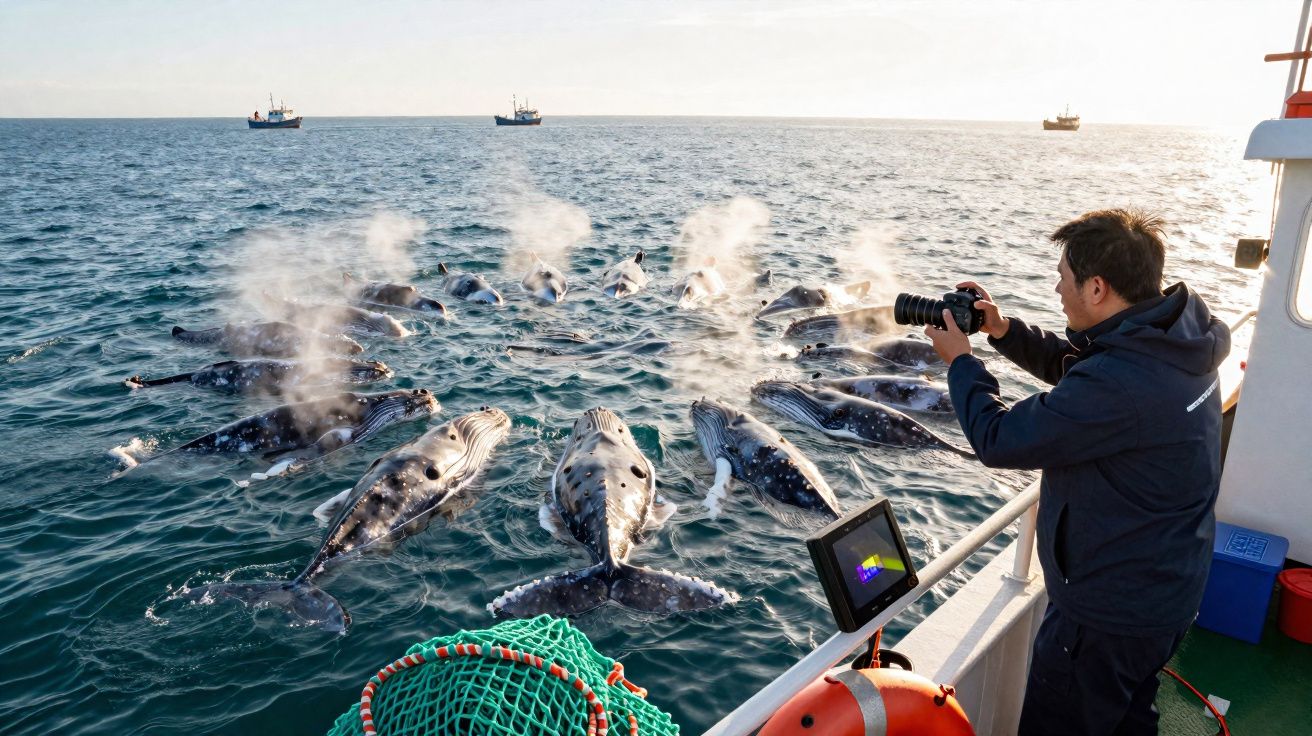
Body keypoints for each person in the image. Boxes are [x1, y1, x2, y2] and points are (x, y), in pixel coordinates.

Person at [922, 209, 1230, 736]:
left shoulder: (1122, 384)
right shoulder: (1177, 337)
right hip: (1167, 591)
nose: (1056, 287)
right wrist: (1002, 330)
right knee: (1129, 716)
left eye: (1062, 277)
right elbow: (1082, 368)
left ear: (1096, 288)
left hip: (1106, 618)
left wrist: (960, 363)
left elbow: (999, 438)